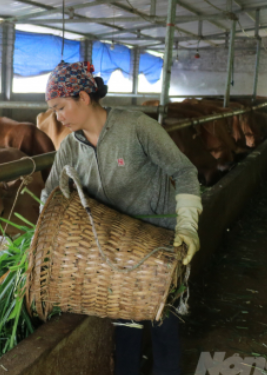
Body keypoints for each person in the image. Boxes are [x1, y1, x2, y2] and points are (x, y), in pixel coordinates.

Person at [39, 61, 202, 375]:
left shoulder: (137, 127)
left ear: (84, 97)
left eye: (60, 108)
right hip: (113, 253)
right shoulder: (70, 147)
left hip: (159, 243)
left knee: (162, 321)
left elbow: (184, 172)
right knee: (126, 326)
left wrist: (188, 226)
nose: (56, 117)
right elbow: (52, 196)